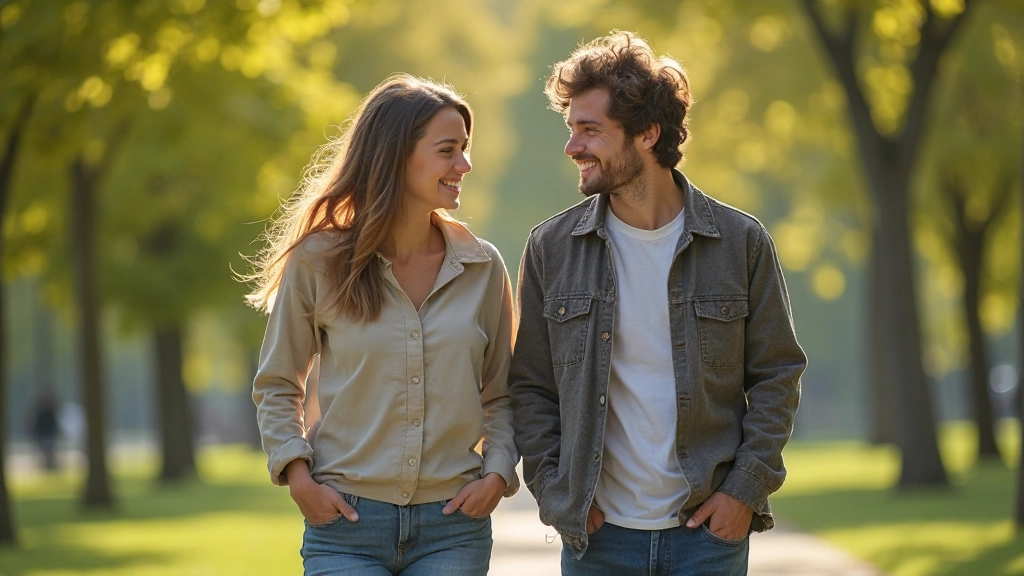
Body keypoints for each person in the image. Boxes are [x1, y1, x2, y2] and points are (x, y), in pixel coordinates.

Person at [508, 32, 806, 576]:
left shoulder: (740, 242)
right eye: (571, 129)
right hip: (598, 542)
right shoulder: (551, 249)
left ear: (648, 134)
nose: (573, 146)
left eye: (590, 130)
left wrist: (743, 491)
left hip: (707, 536)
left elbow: (777, 374)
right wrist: (556, 493)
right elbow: (531, 387)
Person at [248, 74, 518, 576]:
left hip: (453, 527)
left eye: (464, 149)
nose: (464, 165)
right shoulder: (318, 262)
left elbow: (502, 392)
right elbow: (278, 383)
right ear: (397, 155)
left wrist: (498, 473)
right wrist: (298, 475)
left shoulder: (483, 268)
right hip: (346, 525)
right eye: (447, 150)